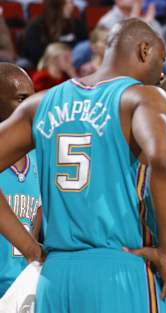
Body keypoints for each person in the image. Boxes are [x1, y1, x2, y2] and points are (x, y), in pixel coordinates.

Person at [0, 18, 166, 313]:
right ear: (144, 50)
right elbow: (163, 158)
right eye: (161, 61)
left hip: (55, 275)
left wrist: (30, 248)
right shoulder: (141, 97)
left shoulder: (41, 104)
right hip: (118, 266)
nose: (161, 74)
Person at [0, 63, 41, 297]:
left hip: (21, 288)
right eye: (21, 99)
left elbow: (35, 219)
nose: (30, 108)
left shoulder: (38, 158)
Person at [21, 0, 88, 68]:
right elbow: (36, 54)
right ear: (55, 5)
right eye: (67, 3)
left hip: (73, 64)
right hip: (45, 66)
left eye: (72, 2)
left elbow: (84, 48)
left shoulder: (77, 25)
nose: (72, 6)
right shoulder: (37, 26)